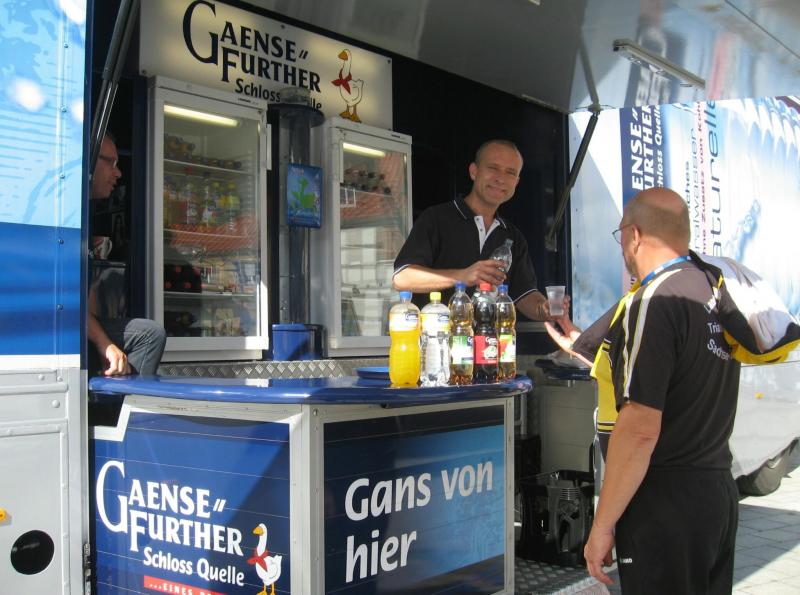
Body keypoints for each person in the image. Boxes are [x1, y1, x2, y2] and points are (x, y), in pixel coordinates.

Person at [553, 187, 742, 593]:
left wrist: (603, 524)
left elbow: (639, 429)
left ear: (634, 235)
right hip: (716, 491)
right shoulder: (711, 289)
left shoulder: (652, 300)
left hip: (664, 502)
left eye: (620, 233)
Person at [393, 139, 567, 319]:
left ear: (516, 182)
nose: (501, 178)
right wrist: (463, 276)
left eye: (510, 172)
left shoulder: (513, 236)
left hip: (491, 336)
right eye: (493, 168)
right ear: (473, 171)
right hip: (436, 334)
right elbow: (402, 278)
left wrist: (544, 309)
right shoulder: (436, 218)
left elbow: (525, 294)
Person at [88, 133, 166, 375]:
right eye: (110, 162)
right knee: (149, 334)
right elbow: (67, 305)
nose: (118, 173)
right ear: (87, 160)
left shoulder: (79, 214)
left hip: (73, 320)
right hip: (60, 325)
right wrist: (105, 344)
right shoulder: (65, 217)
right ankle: (117, 398)